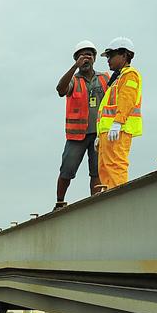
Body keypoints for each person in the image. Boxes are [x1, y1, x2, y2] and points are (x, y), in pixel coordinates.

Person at [54, 40, 110, 210]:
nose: (86, 58)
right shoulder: (73, 80)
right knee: (67, 170)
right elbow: (60, 89)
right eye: (81, 56)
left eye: (89, 55)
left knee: (96, 171)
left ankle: (95, 204)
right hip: (76, 135)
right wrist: (74, 67)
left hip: (98, 134)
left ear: (94, 58)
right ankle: (59, 202)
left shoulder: (104, 78)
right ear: (76, 59)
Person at [97, 37, 143, 190]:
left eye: (111, 55)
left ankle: (118, 198)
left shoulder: (130, 75)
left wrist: (118, 122)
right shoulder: (117, 79)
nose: (108, 60)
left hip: (119, 130)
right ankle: (108, 195)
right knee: (105, 168)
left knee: (115, 167)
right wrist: (99, 135)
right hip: (109, 132)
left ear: (124, 55)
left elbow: (127, 100)